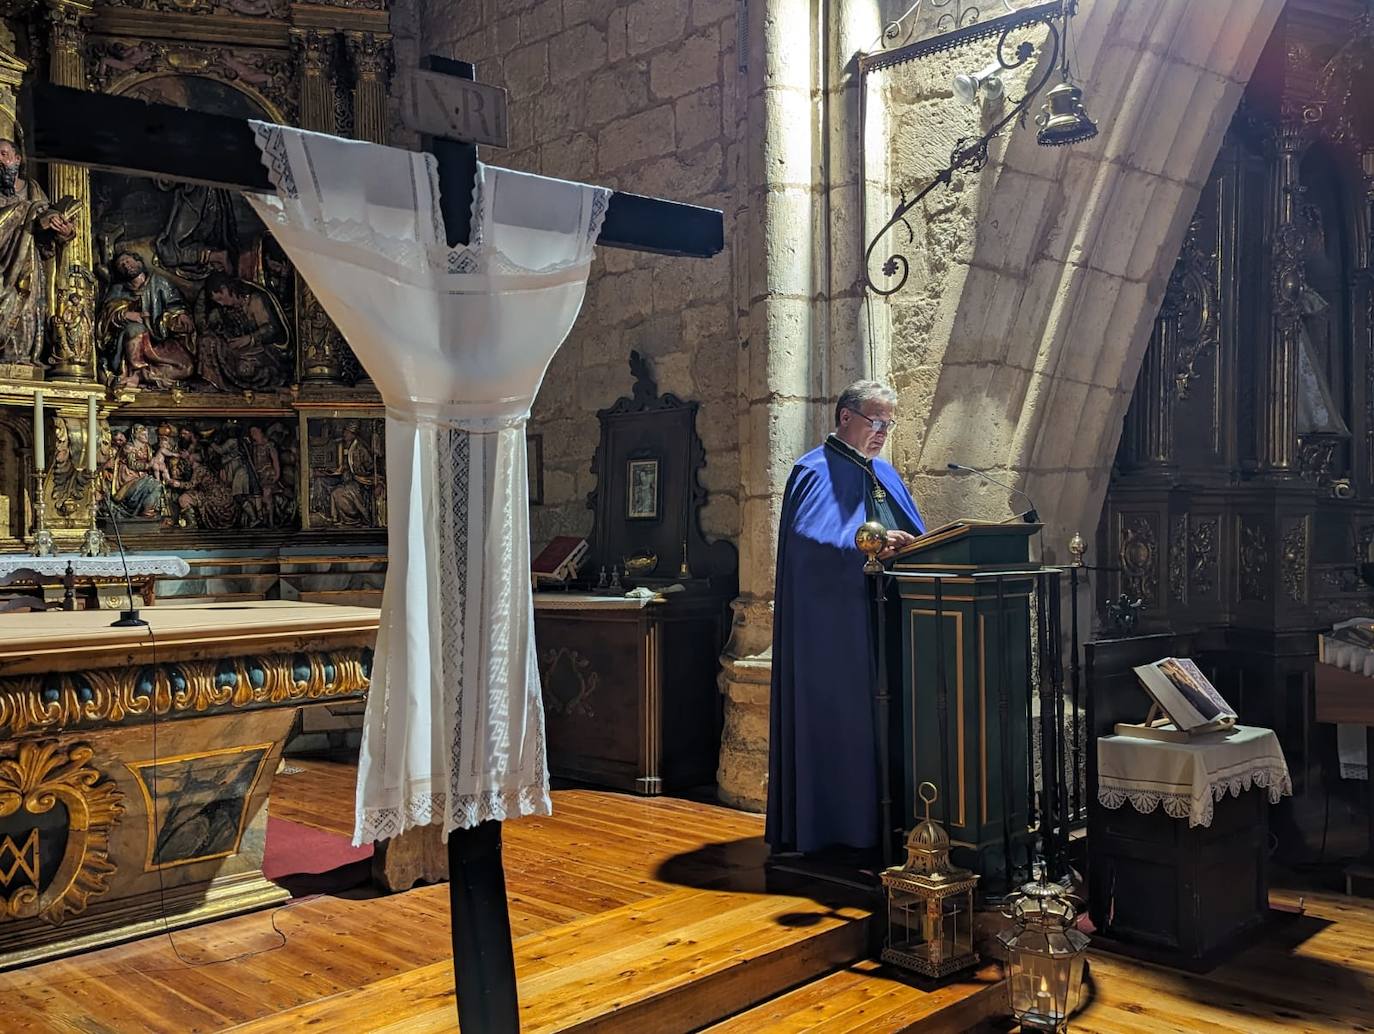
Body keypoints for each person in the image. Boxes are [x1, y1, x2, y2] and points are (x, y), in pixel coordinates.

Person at [766, 379, 925, 856]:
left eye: (888, 424)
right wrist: (873, 543)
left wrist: (913, 543)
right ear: (845, 417)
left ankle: (896, 825)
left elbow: (917, 535)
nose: (882, 432)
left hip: (890, 620)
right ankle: (842, 827)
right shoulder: (813, 470)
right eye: (875, 421)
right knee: (848, 724)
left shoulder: (885, 473)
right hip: (838, 630)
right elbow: (811, 543)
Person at [0, 132, 77, 366]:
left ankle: (17, 362)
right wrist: (28, 215)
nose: (0, 161)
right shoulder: (27, 204)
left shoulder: (33, 190)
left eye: (3, 155)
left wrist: (63, 231)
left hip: (28, 273)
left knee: (24, 319)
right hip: (3, 270)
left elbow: (48, 239)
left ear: (17, 159)